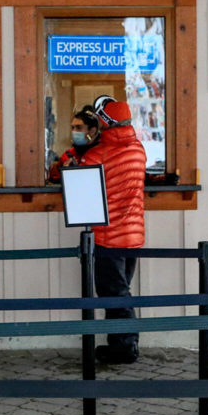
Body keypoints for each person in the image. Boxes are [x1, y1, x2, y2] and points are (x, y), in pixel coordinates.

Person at [84, 98, 146, 365]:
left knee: (114, 293)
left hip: (108, 236)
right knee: (122, 290)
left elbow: (82, 184)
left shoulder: (97, 155)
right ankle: (120, 344)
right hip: (133, 235)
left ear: (105, 122)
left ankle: (125, 348)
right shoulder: (138, 149)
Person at [47, 105, 101, 183]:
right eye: (72, 128)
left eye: (79, 127)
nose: (74, 131)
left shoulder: (103, 154)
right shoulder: (68, 155)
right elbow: (54, 183)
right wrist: (65, 173)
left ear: (92, 131)